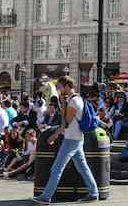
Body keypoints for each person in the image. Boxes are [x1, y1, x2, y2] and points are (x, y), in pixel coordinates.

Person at [32, 76, 98, 205]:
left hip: (72, 139)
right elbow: (66, 122)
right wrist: (63, 103)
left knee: (57, 168)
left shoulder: (74, 101)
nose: (58, 90)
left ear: (67, 86)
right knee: (82, 167)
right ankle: (94, 193)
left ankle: (46, 197)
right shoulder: (74, 100)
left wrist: (55, 134)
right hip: (75, 138)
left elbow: (66, 121)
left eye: (60, 87)